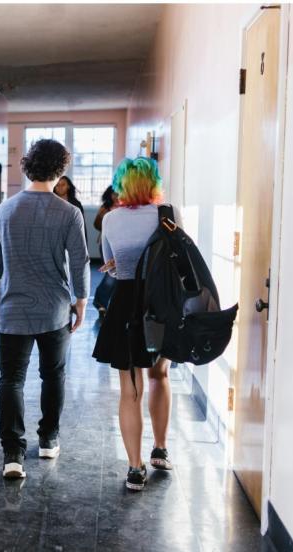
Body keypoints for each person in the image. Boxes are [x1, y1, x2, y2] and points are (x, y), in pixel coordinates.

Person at [0, 139, 90, 479]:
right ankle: (48, 439)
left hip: (12, 309)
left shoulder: (4, 210)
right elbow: (80, 262)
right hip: (54, 309)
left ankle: (13, 455)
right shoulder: (69, 213)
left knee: (11, 380)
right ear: (60, 170)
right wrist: (81, 301)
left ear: (28, 166)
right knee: (53, 374)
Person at [91, 157, 176, 492]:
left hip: (126, 304)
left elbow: (112, 267)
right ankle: (160, 449)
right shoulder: (167, 214)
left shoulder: (111, 219)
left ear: (122, 186)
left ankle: (135, 468)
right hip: (161, 304)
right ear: (153, 183)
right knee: (160, 375)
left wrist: (121, 262)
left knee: (130, 390)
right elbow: (176, 260)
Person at [92, 186, 120, 318]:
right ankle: (100, 302)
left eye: (119, 193)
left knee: (117, 276)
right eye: (114, 194)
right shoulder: (105, 207)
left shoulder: (128, 206)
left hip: (121, 244)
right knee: (111, 275)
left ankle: (105, 303)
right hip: (106, 244)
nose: (116, 196)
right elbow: (96, 225)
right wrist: (104, 216)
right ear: (109, 195)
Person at [54, 175, 88, 243]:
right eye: (57, 185)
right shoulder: (50, 204)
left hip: (72, 239)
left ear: (68, 186)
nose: (60, 187)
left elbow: (82, 226)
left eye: (63, 185)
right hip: (55, 239)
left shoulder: (76, 204)